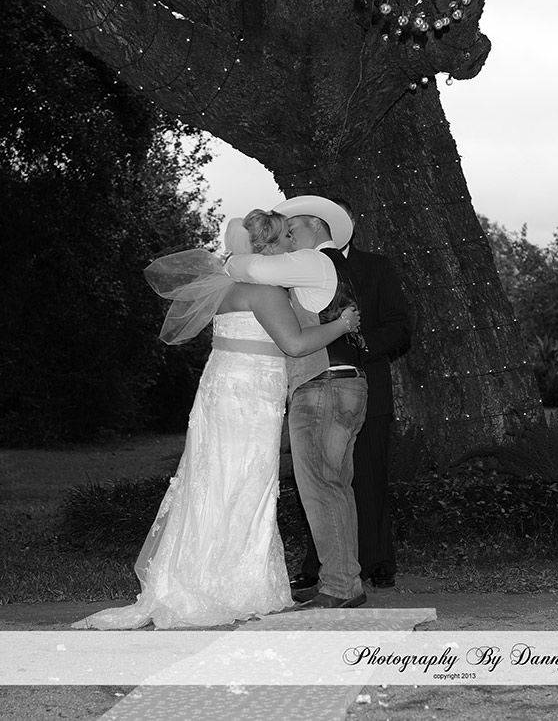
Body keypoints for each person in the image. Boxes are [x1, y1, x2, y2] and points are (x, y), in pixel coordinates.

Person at [72, 209, 360, 630]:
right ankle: (231, 584)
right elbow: (295, 344)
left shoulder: (226, 289)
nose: (290, 245)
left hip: (221, 389)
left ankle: (196, 573)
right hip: (250, 397)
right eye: (285, 239)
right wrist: (342, 325)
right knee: (245, 482)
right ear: (270, 246)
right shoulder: (266, 292)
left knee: (213, 479)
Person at [225, 196, 368, 610]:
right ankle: (344, 580)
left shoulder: (311, 260)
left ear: (315, 227)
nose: (288, 238)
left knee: (321, 489)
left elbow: (252, 268)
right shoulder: (333, 266)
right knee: (336, 488)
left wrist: (228, 261)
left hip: (322, 386)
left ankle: (340, 587)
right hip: (345, 385)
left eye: (293, 229)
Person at [290, 198, 412, 593]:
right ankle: (318, 566)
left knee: (369, 478)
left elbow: (400, 326)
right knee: (321, 480)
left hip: (367, 382)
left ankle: (377, 561)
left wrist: (360, 346)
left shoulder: (377, 266)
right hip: (315, 382)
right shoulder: (299, 267)